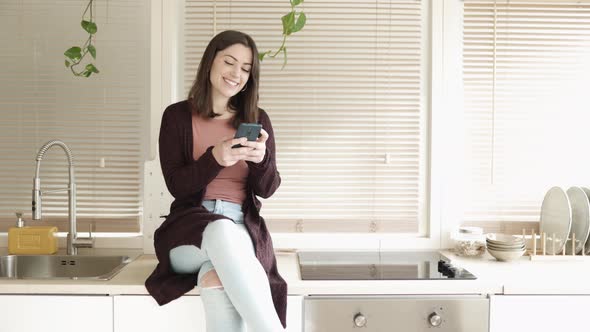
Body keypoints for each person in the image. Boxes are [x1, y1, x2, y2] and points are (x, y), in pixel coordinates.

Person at [145, 30, 287, 332]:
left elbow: (268, 188)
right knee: (221, 229)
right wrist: (215, 158)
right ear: (211, 61)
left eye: (246, 69)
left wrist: (260, 161)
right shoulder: (176, 117)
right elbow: (176, 185)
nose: (236, 74)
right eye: (229, 62)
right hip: (187, 232)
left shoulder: (257, 119)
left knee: (216, 281)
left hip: (241, 228)